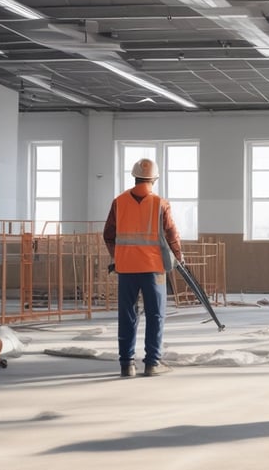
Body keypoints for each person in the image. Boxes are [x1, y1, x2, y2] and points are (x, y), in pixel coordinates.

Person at [103, 158, 182, 378]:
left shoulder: (119, 202)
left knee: (127, 315)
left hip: (126, 268)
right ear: (154, 179)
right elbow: (171, 234)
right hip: (153, 269)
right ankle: (152, 363)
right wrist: (178, 256)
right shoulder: (161, 203)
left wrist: (118, 255)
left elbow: (108, 234)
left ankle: (126, 365)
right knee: (155, 315)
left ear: (134, 176)